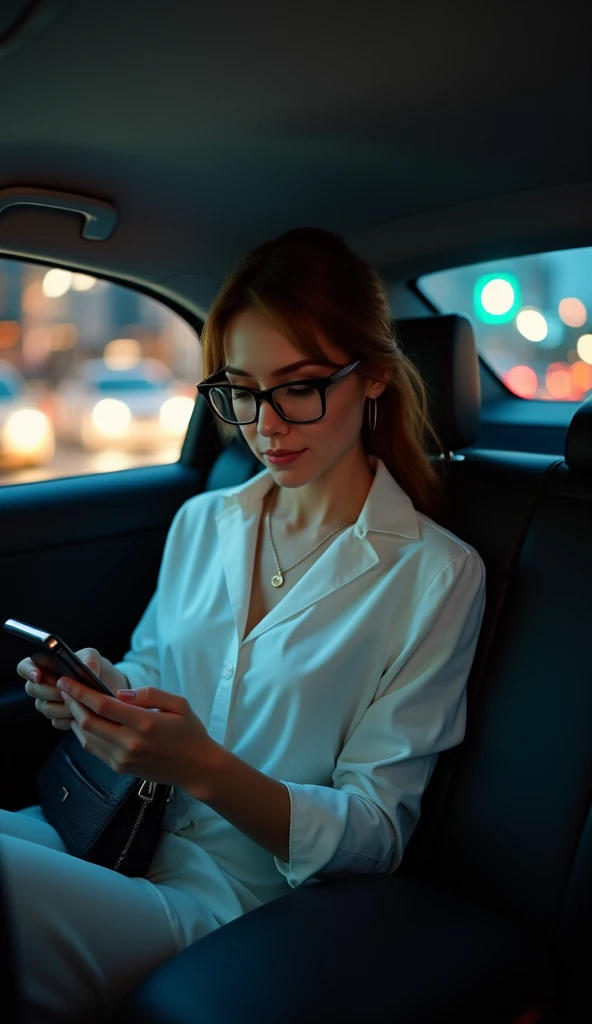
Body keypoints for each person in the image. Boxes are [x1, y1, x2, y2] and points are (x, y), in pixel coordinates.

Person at [3, 227, 486, 1023]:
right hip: (112, 832)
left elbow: (377, 831)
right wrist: (101, 697)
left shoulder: (435, 575)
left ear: (372, 378)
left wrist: (204, 768)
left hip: (234, 901)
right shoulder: (203, 521)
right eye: (239, 389)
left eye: (298, 387)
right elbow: (155, 665)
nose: (264, 424)